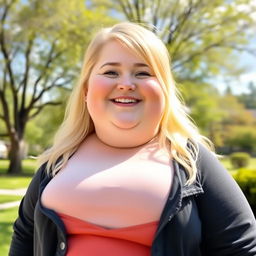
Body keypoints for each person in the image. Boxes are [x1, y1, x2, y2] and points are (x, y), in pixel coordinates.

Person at [9, 22, 256, 256]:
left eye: (142, 73)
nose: (126, 84)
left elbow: (243, 248)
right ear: (86, 90)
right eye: (111, 71)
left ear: (164, 90)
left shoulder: (191, 161)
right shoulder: (57, 161)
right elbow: (23, 239)